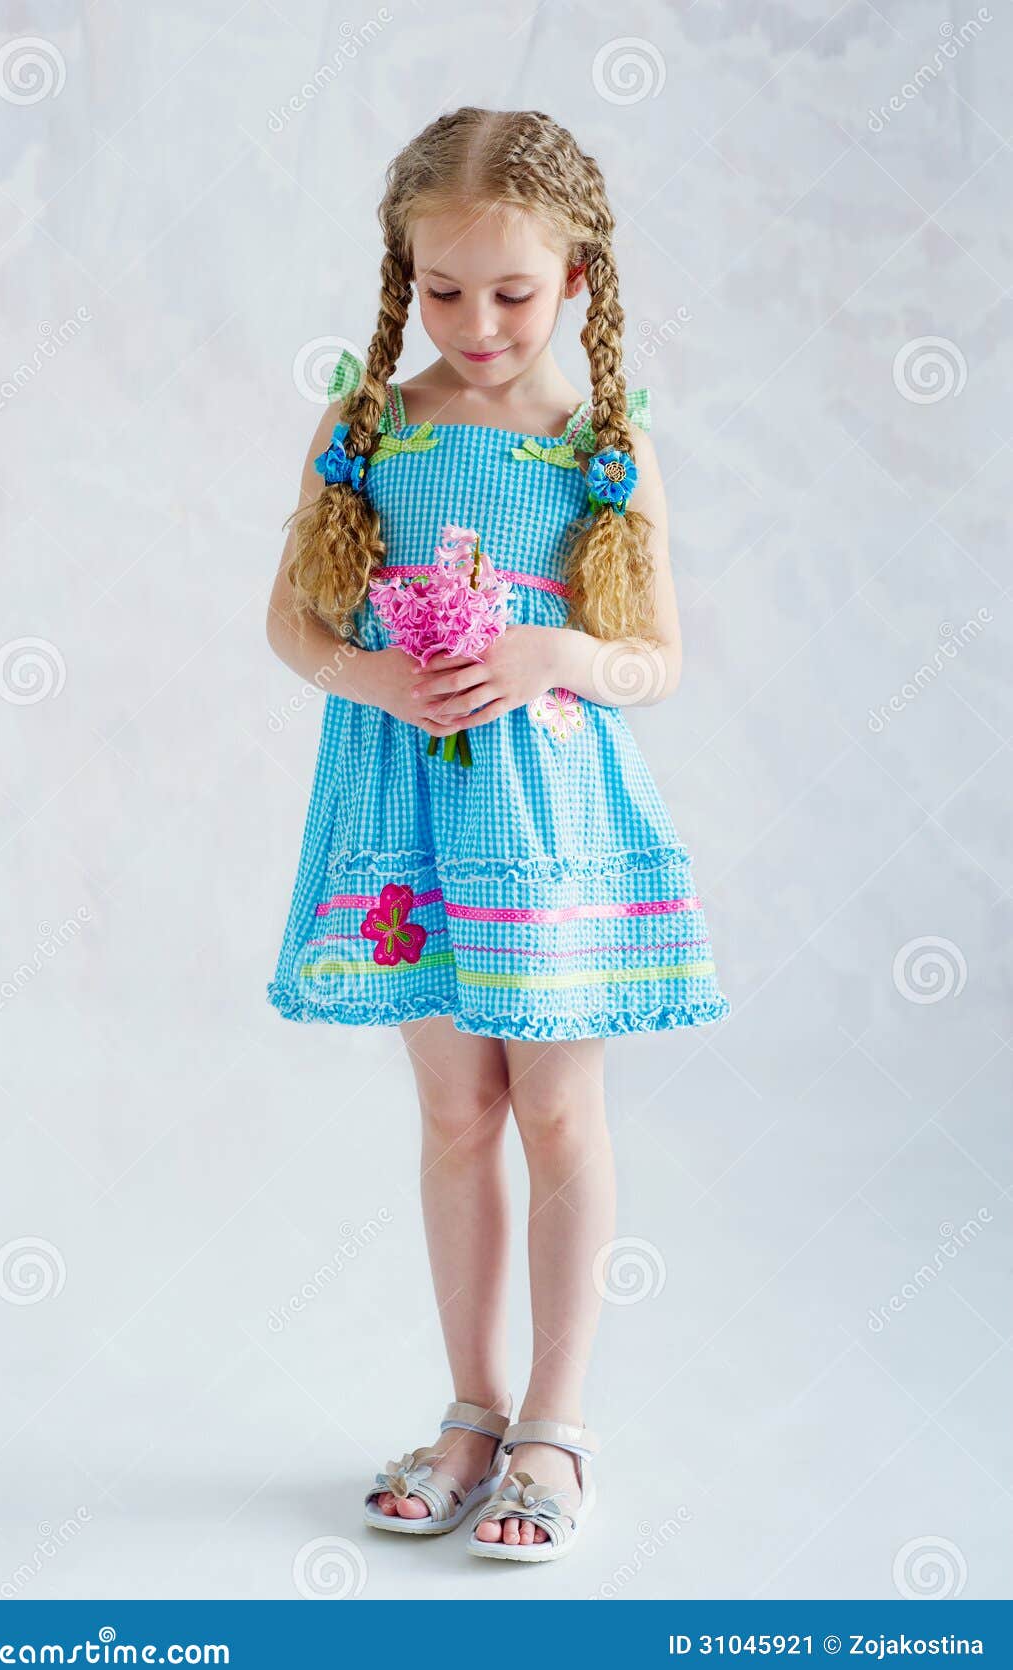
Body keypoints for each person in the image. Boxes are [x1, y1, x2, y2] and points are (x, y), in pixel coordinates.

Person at [265, 106, 730, 1564]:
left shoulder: (603, 447)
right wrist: (373, 673)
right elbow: (291, 619)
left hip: (544, 821)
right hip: (408, 805)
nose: (476, 322)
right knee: (458, 1111)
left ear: (579, 279)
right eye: (446, 289)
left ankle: (554, 1422)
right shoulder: (372, 429)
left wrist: (558, 657)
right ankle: (468, 1408)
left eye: (512, 292)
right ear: (407, 276)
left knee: (555, 1109)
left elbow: (654, 655)